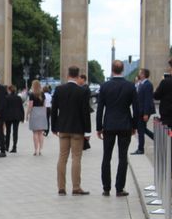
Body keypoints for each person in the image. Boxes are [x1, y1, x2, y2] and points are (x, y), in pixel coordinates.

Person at [96, 60, 138, 197]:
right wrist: (134, 125)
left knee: (106, 157)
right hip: (125, 124)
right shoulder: (130, 86)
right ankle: (119, 188)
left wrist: (99, 127)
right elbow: (136, 109)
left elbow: (100, 108)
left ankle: (106, 188)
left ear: (112, 69)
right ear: (123, 69)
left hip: (109, 124)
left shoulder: (105, 86)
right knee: (122, 157)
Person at [52, 66, 92, 196]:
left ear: (68, 74)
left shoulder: (59, 89)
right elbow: (85, 112)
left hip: (63, 128)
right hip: (77, 129)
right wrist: (88, 131)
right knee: (76, 158)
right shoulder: (82, 91)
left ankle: (61, 187)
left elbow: (54, 110)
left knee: (62, 157)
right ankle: (76, 187)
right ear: (78, 75)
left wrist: (53, 127)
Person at [132, 68, 156, 155]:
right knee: (142, 128)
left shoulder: (147, 84)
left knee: (140, 130)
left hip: (144, 111)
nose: (139, 74)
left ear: (143, 74)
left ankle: (141, 149)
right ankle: (156, 138)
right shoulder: (142, 84)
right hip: (140, 110)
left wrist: (146, 113)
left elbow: (147, 100)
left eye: (140, 73)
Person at [26, 80, 48, 156]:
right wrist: (45, 115)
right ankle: (40, 150)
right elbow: (45, 105)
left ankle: (35, 150)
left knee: (35, 133)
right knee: (41, 133)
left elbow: (30, 106)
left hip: (34, 112)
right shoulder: (43, 94)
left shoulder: (32, 94)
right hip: (42, 112)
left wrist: (27, 114)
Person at [3, 85, 24, 154]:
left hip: (8, 117)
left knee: (8, 132)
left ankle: (7, 146)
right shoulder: (19, 98)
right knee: (15, 132)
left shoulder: (6, 98)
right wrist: (22, 118)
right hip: (17, 117)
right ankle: (14, 147)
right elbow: (21, 108)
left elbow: (5, 108)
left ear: (9, 90)